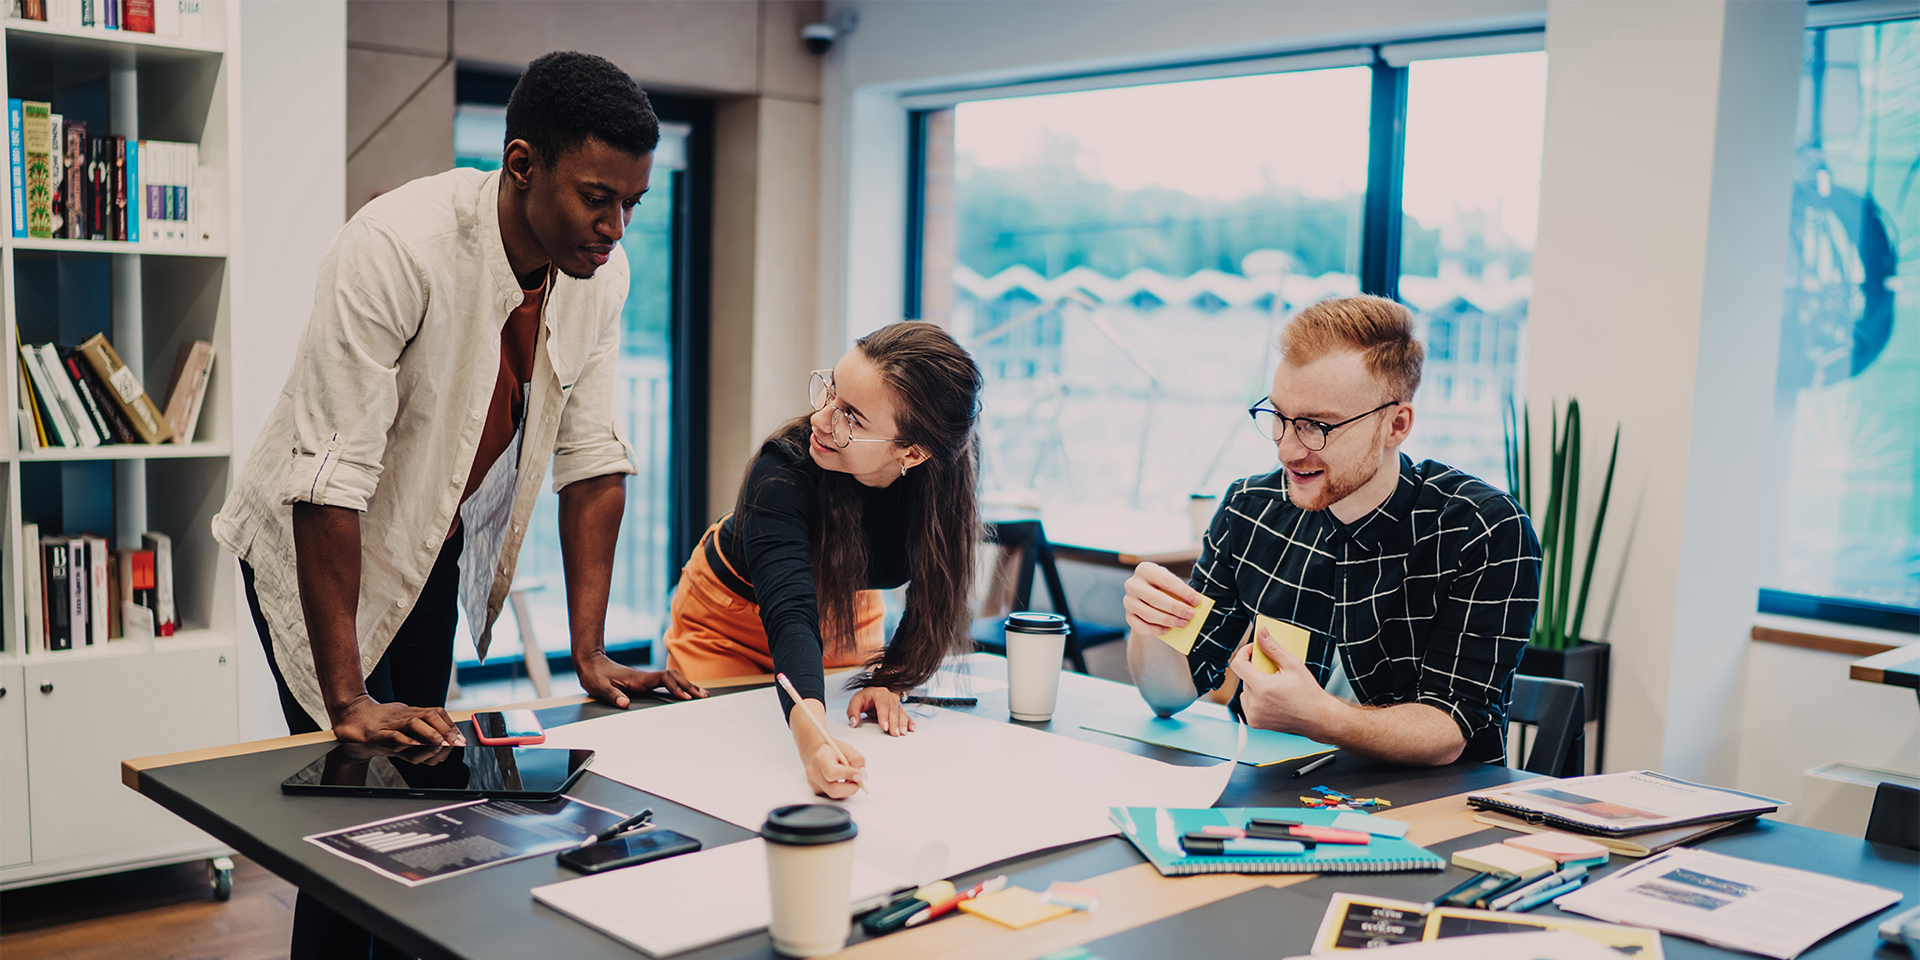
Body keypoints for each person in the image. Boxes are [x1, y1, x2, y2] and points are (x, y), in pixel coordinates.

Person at [212, 52, 703, 960]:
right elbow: (328, 477)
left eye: (632, 204)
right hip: (315, 539)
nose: (615, 227)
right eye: (598, 197)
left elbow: (593, 460)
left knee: (423, 809)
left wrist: (589, 651)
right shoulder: (396, 245)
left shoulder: (599, 275)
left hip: (427, 543)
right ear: (523, 164)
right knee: (355, 825)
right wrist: (349, 698)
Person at [1125, 295, 1541, 766]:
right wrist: (1152, 626)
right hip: (1272, 794)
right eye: (1279, 418)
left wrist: (1317, 716)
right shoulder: (1251, 508)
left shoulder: (1481, 528)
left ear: (1396, 424)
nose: (1286, 451)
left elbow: (1451, 730)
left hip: (1430, 806)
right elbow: (1171, 694)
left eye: (1317, 426)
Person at [664, 321, 984, 799]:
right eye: (831, 391)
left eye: (851, 417)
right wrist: (814, 741)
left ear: (913, 453)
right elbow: (791, 613)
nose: (820, 419)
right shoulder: (782, 468)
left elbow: (936, 587)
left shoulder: (944, 478)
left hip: (846, 615)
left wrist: (891, 680)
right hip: (730, 618)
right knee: (723, 766)